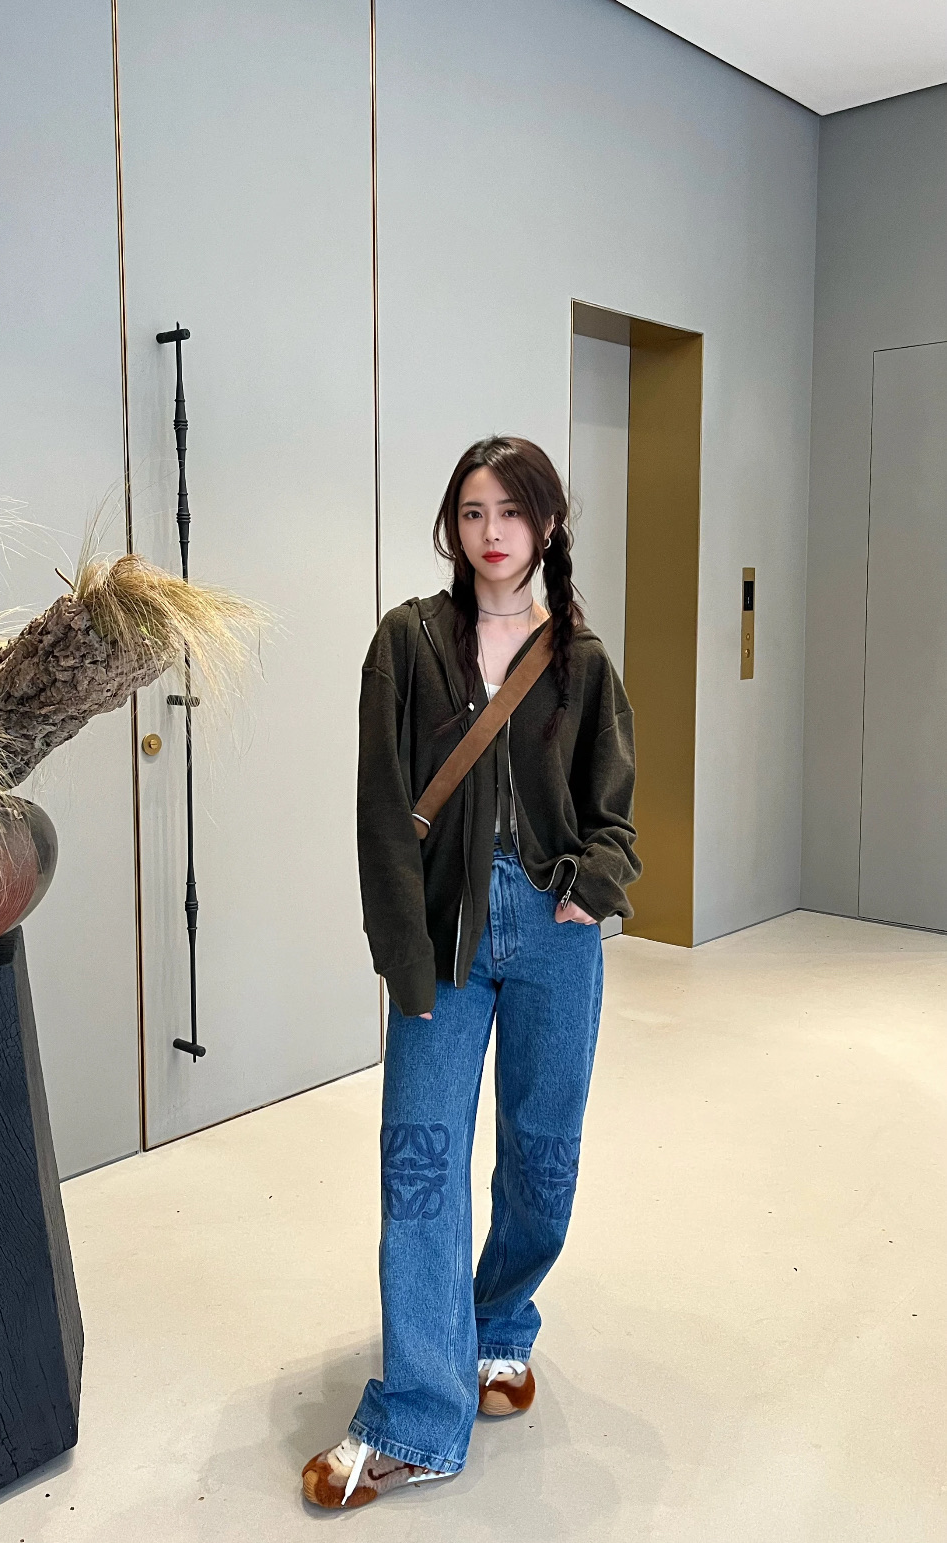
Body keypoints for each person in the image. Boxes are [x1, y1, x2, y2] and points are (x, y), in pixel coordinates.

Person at [302, 436, 641, 1509]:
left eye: (512, 512)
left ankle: (500, 1320)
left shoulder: (581, 659)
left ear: (547, 525)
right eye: (472, 512)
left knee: (542, 1158)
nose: (491, 533)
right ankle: (418, 1413)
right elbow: (380, 809)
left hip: (553, 932)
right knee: (419, 1163)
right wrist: (401, 950)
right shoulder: (406, 643)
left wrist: (589, 888)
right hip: (444, 936)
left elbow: (615, 813)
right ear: (453, 527)